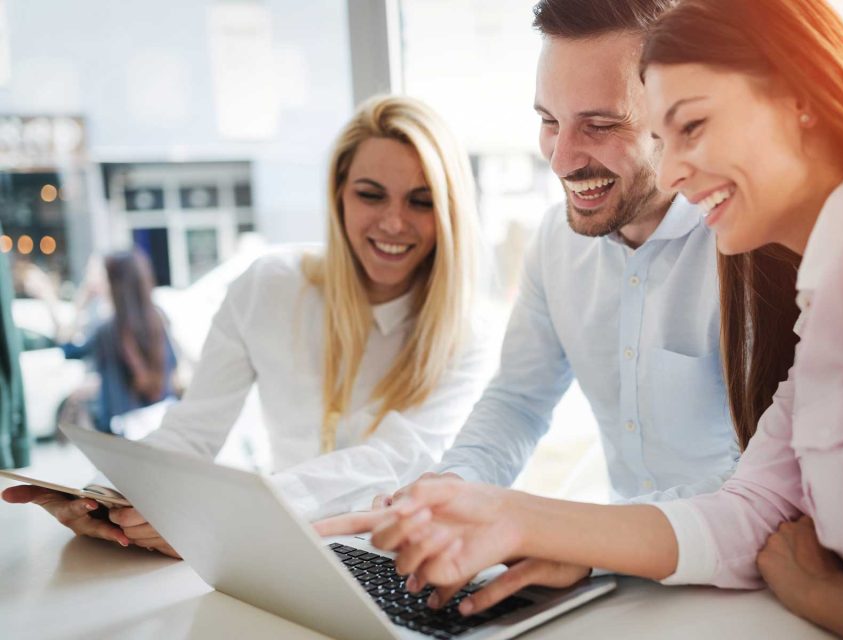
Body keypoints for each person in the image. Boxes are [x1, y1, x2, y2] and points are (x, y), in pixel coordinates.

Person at [317, 1, 843, 638]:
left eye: (689, 126)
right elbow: (754, 504)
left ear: (802, 99)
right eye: (548, 122)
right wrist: (511, 514)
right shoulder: (832, 284)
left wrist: (820, 594)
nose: (676, 170)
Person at [3, 95, 492, 559]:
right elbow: (193, 431)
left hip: (404, 559)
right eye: (370, 194)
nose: (393, 222)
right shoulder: (269, 286)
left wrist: (210, 518)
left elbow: (391, 461)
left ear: (449, 212)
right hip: (277, 551)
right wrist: (106, 498)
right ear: (339, 195)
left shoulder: (464, 332)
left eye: (421, 201)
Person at [378, 0, 799, 516]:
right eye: (550, 121)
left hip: (737, 566)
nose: (561, 160)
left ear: (676, 116)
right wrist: (449, 489)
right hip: (618, 565)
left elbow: (762, 477)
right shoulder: (556, 242)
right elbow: (518, 400)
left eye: (599, 125)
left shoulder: (753, 246)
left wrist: (573, 536)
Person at [23, 250, 178, 434]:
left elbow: (68, 347)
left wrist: (52, 297)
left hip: (124, 432)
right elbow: (172, 369)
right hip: (162, 422)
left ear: (113, 282)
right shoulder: (157, 317)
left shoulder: (107, 330)